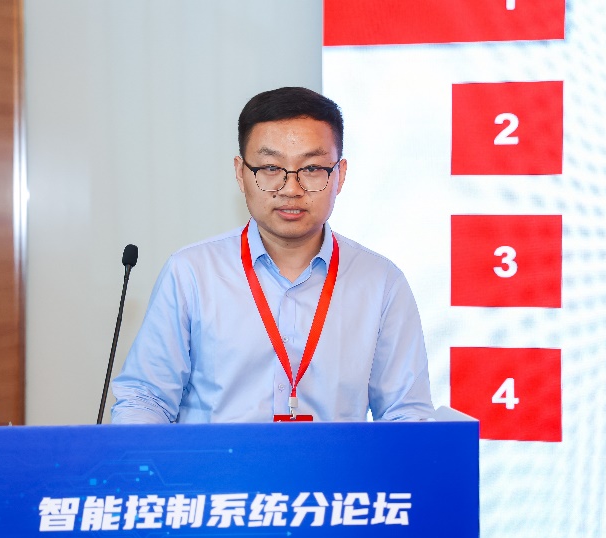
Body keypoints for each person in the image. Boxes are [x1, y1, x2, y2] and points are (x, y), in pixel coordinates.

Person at [110, 87, 433, 423]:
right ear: (241, 173)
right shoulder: (191, 274)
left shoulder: (381, 283)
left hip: (332, 461)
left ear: (340, 175)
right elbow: (145, 400)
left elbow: (406, 413)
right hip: (218, 460)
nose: (291, 189)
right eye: (270, 167)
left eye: (312, 168)